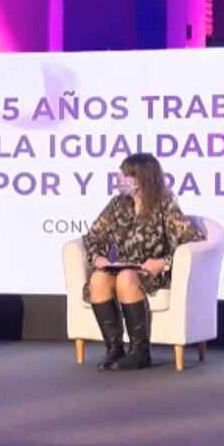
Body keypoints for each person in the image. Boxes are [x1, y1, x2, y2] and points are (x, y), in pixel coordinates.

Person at [83, 153, 204, 370]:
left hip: (153, 271)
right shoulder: (117, 205)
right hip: (122, 266)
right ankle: (114, 348)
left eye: (125, 176)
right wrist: (97, 256)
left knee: (126, 278)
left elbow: (192, 242)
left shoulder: (164, 206)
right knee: (99, 278)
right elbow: (94, 236)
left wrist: (163, 262)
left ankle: (140, 351)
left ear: (140, 179)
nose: (119, 180)